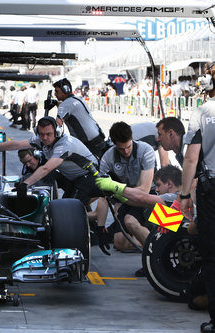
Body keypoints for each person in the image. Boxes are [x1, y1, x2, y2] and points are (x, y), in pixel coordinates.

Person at [0, 117, 101, 206]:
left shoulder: (64, 144)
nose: (45, 138)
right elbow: (16, 145)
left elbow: (46, 168)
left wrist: (25, 184)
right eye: (41, 134)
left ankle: (91, 229)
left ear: (57, 132)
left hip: (89, 175)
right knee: (65, 206)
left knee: (68, 208)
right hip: (73, 177)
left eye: (49, 134)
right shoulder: (41, 139)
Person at [179, 61, 215, 333]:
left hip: (210, 190)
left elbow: (191, 157)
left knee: (212, 256)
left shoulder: (203, 111)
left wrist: (183, 194)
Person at [95, 121, 155, 255]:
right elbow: (103, 197)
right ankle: (151, 238)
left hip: (149, 197)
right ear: (114, 144)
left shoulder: (146, 150)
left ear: (132, 137)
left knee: (130, 221)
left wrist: (117, 192)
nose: (126, 151)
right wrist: (101, 228)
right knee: (119, 242)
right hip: (126, 197)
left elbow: (144, 190)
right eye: (121, 149)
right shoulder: (107, 159)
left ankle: (157, 255)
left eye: (128, 146)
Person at [95, 165, 181, 256]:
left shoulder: (173, 197)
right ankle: (155, 257)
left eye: (159, 185)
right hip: (178, 239)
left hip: (180, 243)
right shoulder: (175, 201)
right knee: (146, 213)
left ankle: (157, 258)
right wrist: (117, 195)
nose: (156, 189)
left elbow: (143, 198)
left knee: (137, 217)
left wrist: (114, 186)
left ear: (169, 184)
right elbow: (140, 202)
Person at [54, 78, 106, 158]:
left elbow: (57, 124)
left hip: (87, 143)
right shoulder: (79, 98)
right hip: (98, 137)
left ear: (65, 90)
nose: (55, 94)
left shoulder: (65, 105)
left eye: (57, 91)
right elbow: (70, 108)